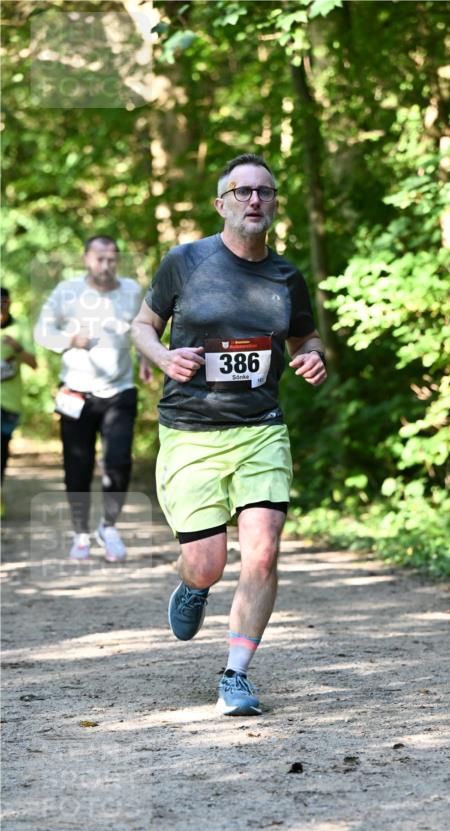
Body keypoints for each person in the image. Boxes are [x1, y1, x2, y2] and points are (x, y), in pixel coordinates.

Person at [132, 153, 327, 716]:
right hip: (191, 431)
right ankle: (194, 587)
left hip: (261, 428)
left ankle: (235, 674)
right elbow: (143, 327)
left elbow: (305, 341)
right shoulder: (185, 262)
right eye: (242, 192)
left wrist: (313, 359)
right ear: (221, 204)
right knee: (208, 562)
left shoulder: (287, 275)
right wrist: (166, 357)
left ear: (274, 204)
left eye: (264, 192)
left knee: (262, 553)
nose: (254, 201)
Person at [34, 236, 151, 562]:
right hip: (75, 391)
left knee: (118, 462)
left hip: (120, 390)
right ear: (86, 258)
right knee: (78, 465)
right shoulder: (67, 291)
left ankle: (108, 527)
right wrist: (70, 338)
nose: (106, 265)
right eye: (99, 259)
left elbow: (142, 329)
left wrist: (144, 360)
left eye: (112, 259)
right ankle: (80, 533)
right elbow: (41, 332)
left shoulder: (130, 290)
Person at [1, 287, 37, 509]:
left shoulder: (20, 326)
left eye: (4, 302)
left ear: (10, 303)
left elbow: (33, 363)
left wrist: (17, 348)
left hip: (9, 402)